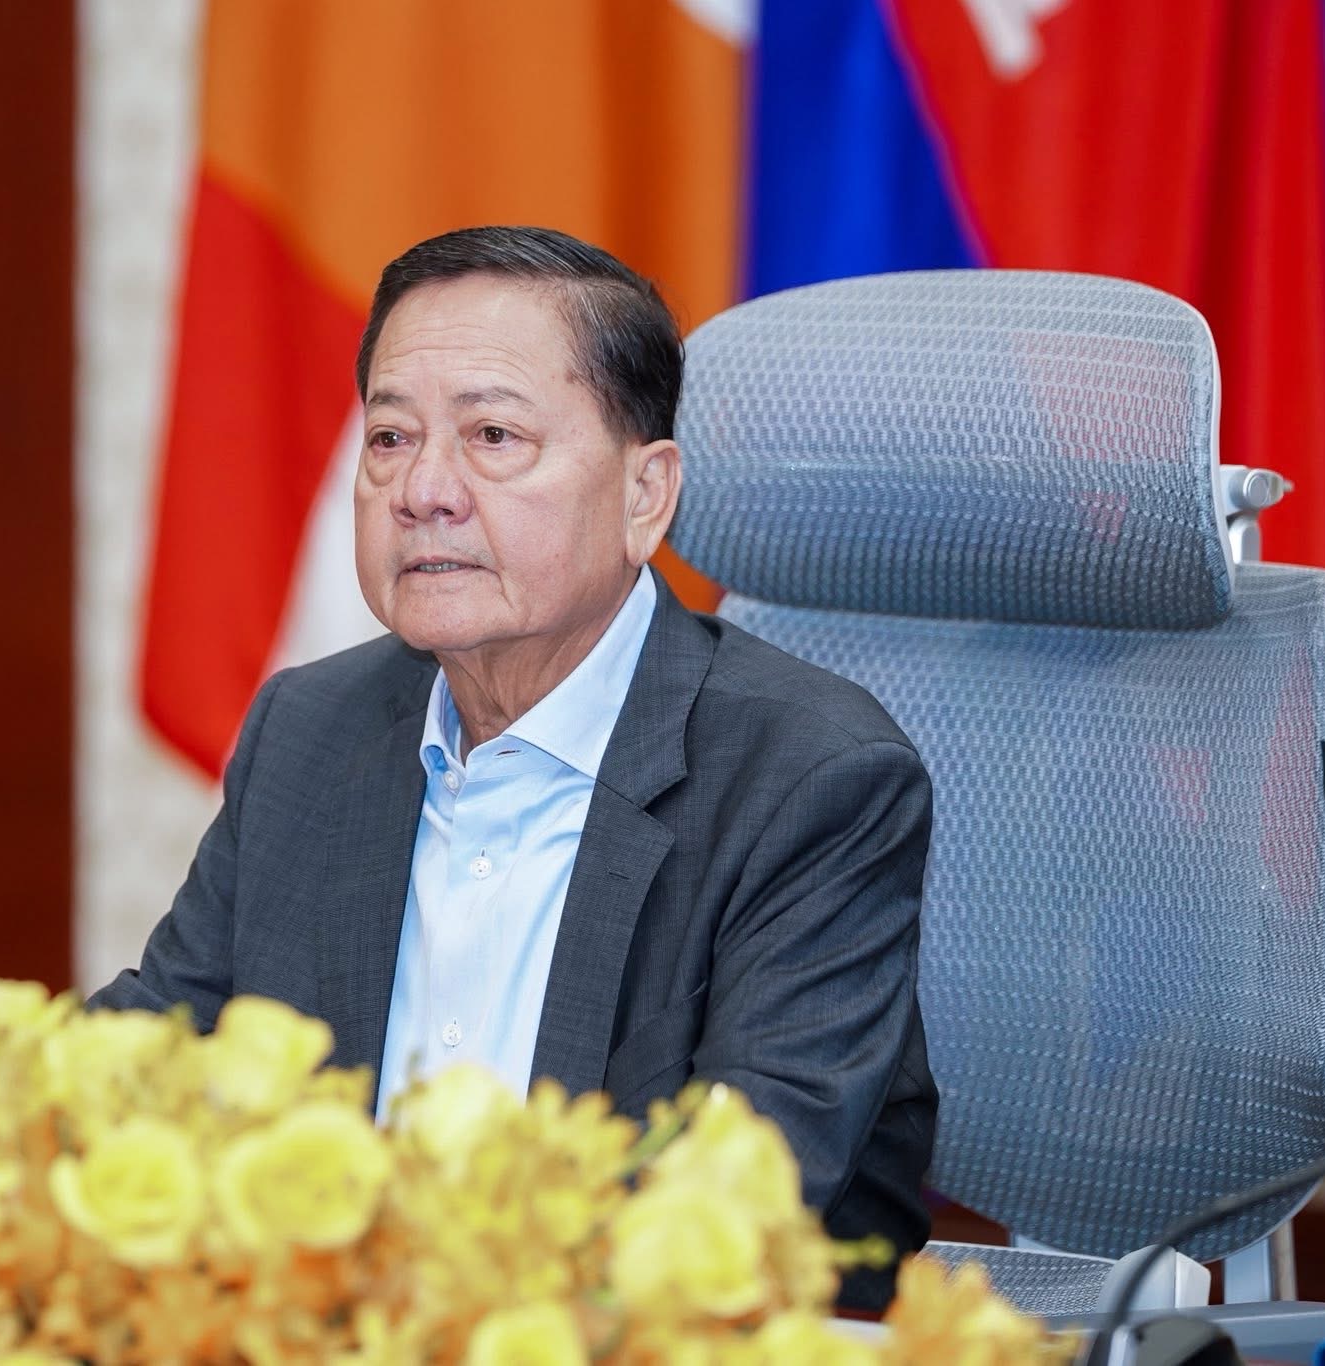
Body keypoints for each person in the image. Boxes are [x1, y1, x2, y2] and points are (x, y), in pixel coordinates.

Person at [90, 226, 936, 1307]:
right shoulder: (312, 729)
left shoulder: (811, 778)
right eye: (390, 437)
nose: (422, 489)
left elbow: (731, 1204)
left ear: (645, 495)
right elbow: (160, 1048)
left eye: (492, 435)